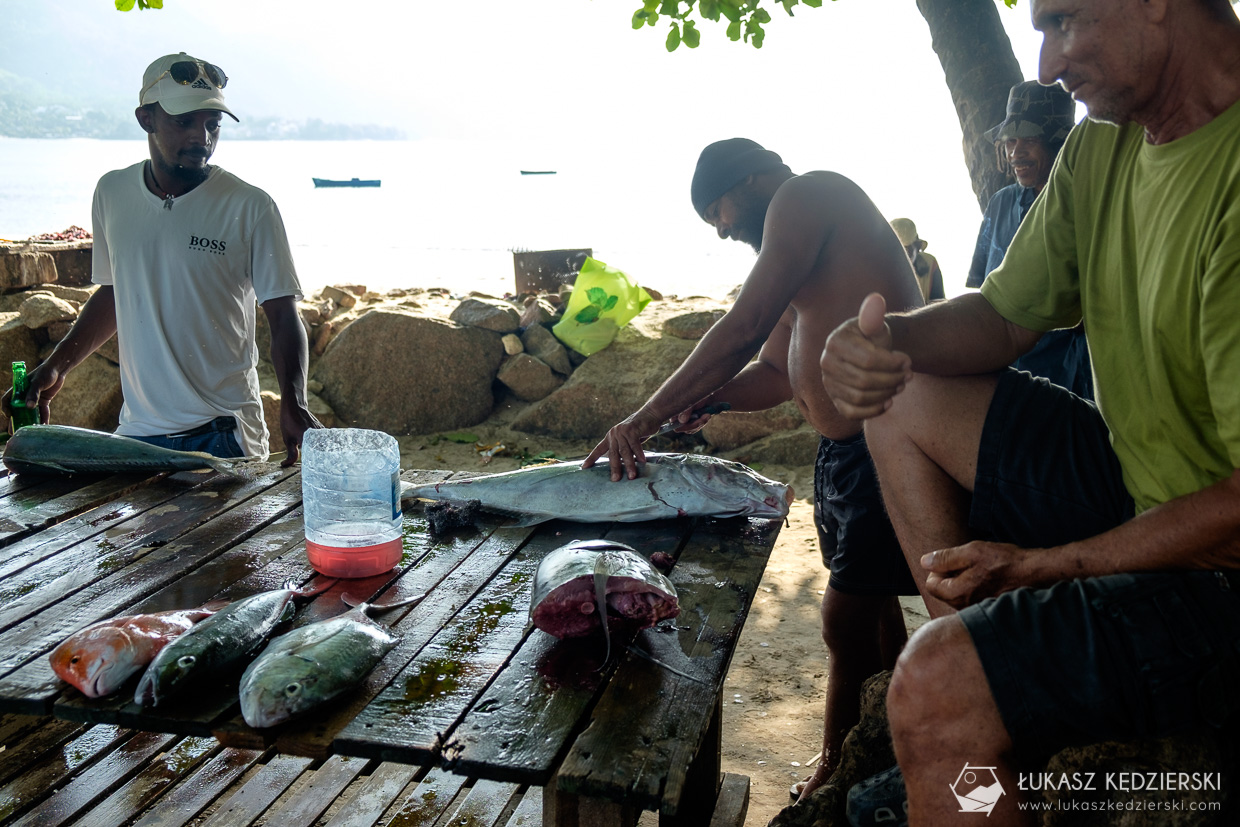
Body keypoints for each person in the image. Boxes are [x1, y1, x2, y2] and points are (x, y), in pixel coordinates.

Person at [819, 0, 1240, 823]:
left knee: (933, 680)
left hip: (1225, 568)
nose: (1046, 65)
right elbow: (1006, 317)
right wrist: (889, 341)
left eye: (1062, 21)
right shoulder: (1105, 140)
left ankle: (966, 686)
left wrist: (1045, 567)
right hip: (1137, 480)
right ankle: (993, 675)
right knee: (898, 395)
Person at [582, 138, 925, 802]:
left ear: (755, 177)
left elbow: (742, 327)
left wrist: (645, 417)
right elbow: (771, 369)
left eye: (719, 207)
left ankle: (832, 770)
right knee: (874, 611)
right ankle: (883, 744)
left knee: (843, 620)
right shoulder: (790, 252)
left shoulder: (807, 193)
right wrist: (711, 399)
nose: (720, 226)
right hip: (845, 454)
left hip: (889, 439)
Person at [5, 53, 320, 464]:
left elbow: (283, 314)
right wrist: (56, 366)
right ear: (146, 119)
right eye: (184, 122)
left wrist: (292, 401)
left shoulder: (251, 206)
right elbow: (117, 291)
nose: (201, 138)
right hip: (137, 434)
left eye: (212, 125)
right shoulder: (112, 193)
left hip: (224, 433)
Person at [966, 79, 1092, 399]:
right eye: (1010, 141)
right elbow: (984, 294)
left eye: (1030, 139)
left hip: (1071, 390)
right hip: (1005, 387)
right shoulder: (1000, 205)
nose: (1015, 152)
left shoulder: (1090, 204)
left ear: (1059, 140)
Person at [889, 218, 944, 303]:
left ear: (917, 247)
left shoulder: (930, 263)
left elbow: (938, 303)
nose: (901, 257)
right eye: (896, 250)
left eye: (906, 250)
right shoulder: (876, 266)